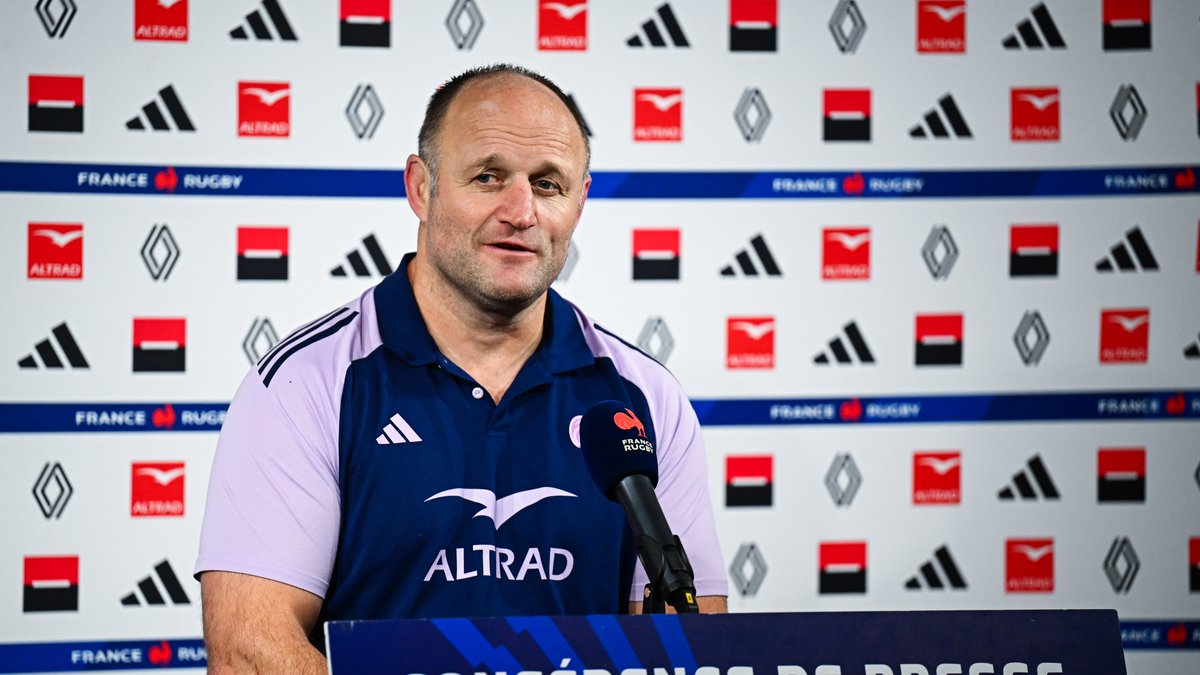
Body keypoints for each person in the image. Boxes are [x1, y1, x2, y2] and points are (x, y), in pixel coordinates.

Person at [195, 64, 727, 673]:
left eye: (548, 184)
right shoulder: (304, 383)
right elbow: (251, 652)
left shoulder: (645, 397)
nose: (521, 211)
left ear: (580, 203)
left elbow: (690, 647)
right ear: (421, 188)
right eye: (488, 177)